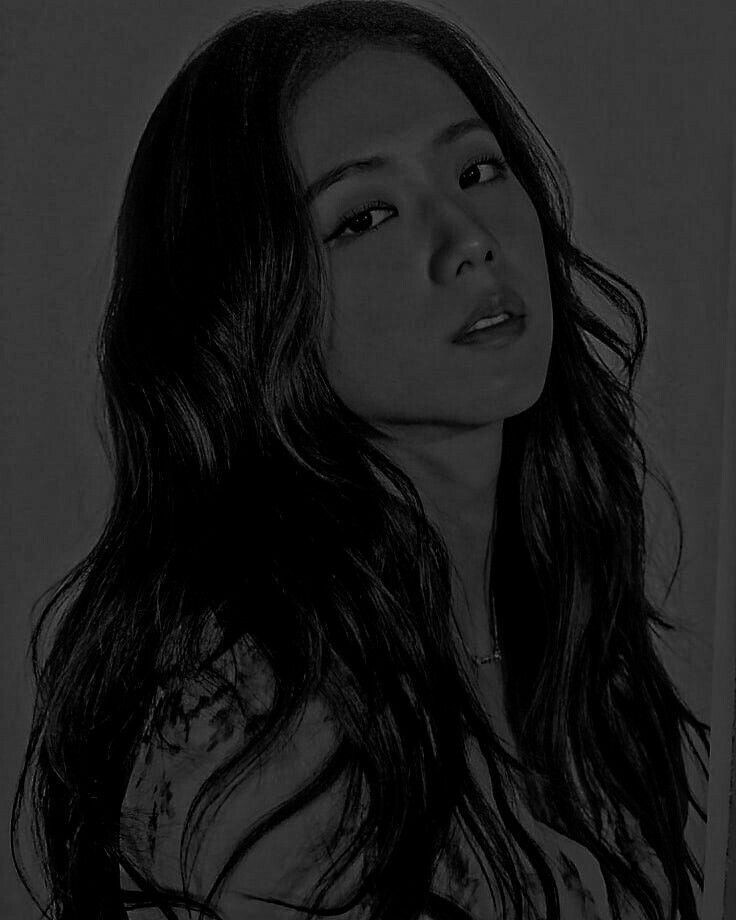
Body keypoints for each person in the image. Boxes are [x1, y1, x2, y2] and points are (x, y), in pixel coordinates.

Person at [11, 1, 710, 919]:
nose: (469, 238)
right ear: (252, 308)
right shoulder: (250, 725)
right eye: (366, 216)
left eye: (479, 169)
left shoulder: (569, 638)